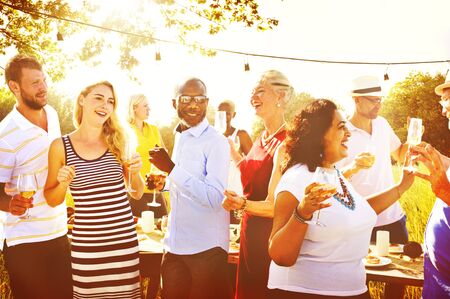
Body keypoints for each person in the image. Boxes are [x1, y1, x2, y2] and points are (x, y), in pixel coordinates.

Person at [268, 99, 415, 299]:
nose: (348, 134)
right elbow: (280, 255)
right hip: (305, 293)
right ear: (318, 135)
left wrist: (401, 187)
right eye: (340, 127)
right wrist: (302, 213)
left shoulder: (332, 173)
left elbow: (358, 209)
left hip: (352, 290)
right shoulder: (296, 179)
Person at [44, 81, 144, 299]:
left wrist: (135, 172)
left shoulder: (119, 140)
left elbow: (137, 192)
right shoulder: (60, 146)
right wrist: (63, 183)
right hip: (88, 245)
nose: (105, 105)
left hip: (122, 242)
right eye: (98, 98)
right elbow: (51, 199)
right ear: (82, 99)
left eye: (110, 101)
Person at [148, 78, 231, 299]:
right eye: (186, 99)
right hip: (174, 247)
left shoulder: (217, 142)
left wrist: (171, 170)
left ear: (207, 102)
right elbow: (186, 188)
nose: (193, 105)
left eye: (199, 99)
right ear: (174, 103)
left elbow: (214, 198)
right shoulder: (181, 136)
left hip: (206, 251)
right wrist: (164, 184)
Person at [0, 54, 72, 299]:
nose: (43, 88)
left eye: (43, 80)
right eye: (34, 83)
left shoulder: (51, 114)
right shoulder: (6, 135)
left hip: (58, 232)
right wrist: (10, 204)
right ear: (14, 87)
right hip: (25, 243)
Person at [221, 70, 294, 299]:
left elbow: (276, 205)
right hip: (248, 231)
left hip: (270, 235)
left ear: (281, 96)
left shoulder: (289, 141)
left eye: (261, 91)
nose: (253, 97)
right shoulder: (262, 137)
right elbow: (251, 174)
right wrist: (234, 153)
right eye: (252, 92)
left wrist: (241, 204)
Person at [337, 75, 409, 244]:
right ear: (357, 100)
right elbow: (333, 179)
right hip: (360, 223)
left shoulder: (382, 124)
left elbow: (399, 154)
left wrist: (413, 138)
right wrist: (354, 167)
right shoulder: (341, 133)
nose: (379, 105)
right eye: (373, 101)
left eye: (380, 100)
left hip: (394, 219)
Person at [410, 75, 450, 299]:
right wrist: (432, 157)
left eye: (445, 100)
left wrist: (445, 192)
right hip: (438, 281)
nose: (443, 110)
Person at [127, 93, 168, 218]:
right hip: (135, 190)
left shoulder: (154, 129)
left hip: (154, 188)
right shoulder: (126, 130)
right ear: (134, 108)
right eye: (145, 106)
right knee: (141, 231)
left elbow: (164, 153)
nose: (149, 109)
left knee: (163, 223)